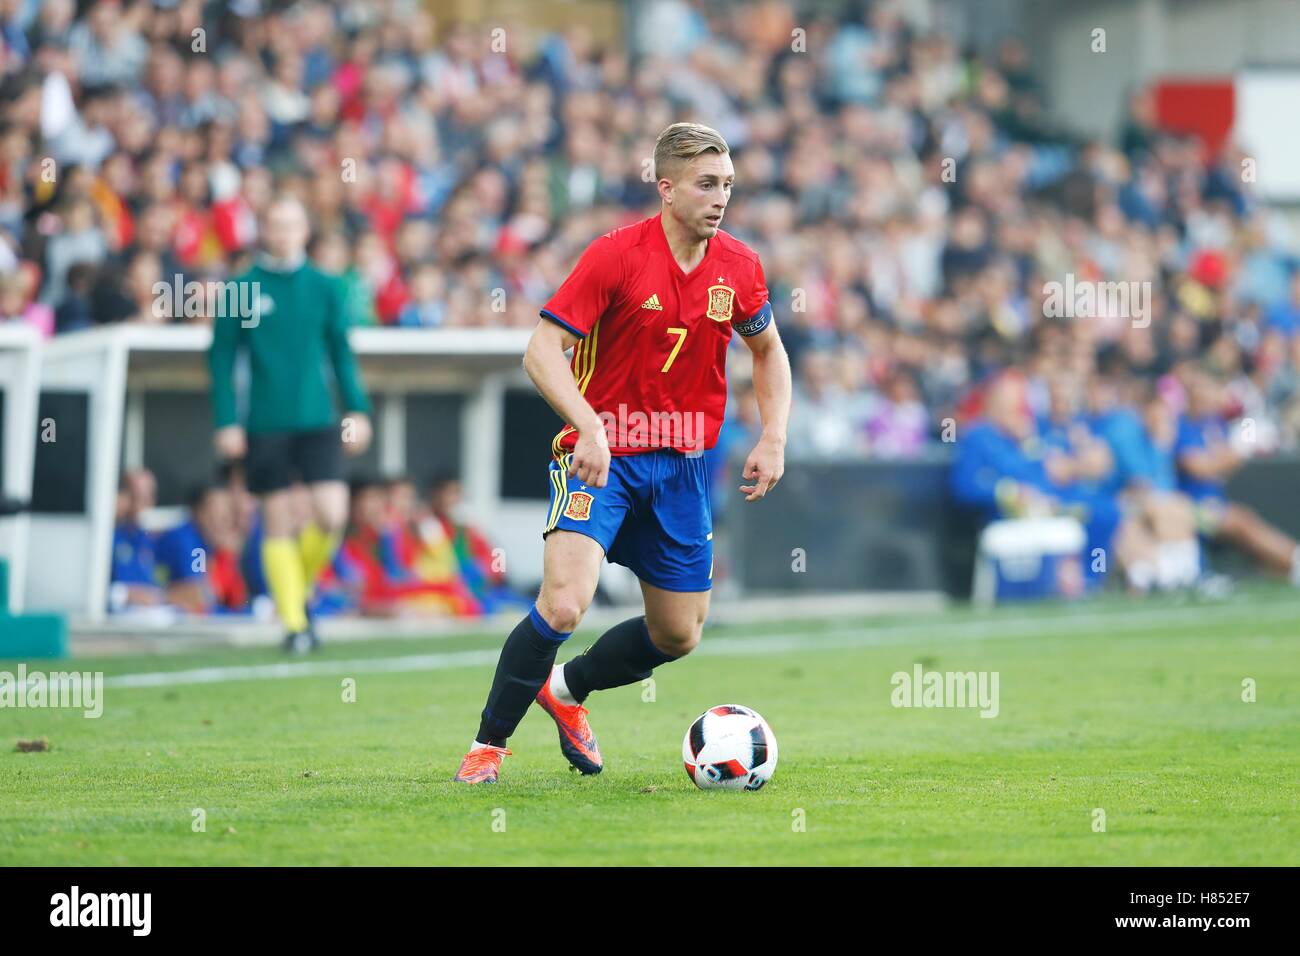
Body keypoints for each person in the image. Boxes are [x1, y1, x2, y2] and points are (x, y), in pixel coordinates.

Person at [453, 122, 792, 784]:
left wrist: (773, 434)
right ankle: (488, 747)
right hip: (602, 459)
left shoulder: (740, 267)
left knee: (678, 635)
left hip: (684, 468)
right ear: (666, 189)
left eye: (726, 184)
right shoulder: (614, 256)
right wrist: (590, 426)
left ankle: (567, 690)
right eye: (705, 184)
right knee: (564, 604)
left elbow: (769, 351)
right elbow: (540, 351)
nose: (720, 197)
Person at [208, 194, 373, 652]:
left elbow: (341, 352)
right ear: (264, 230)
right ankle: (295, 624)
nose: (282, 234)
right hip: (264, 423)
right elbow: (221, 359)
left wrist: (357, 409)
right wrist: (226, 420)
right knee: (276, 520)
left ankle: (293, 592)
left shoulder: (325, 286)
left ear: (304, 231)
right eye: (275, 225)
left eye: (291, 225)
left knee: (332, 513)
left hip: (318, 419)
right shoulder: (241, 288)